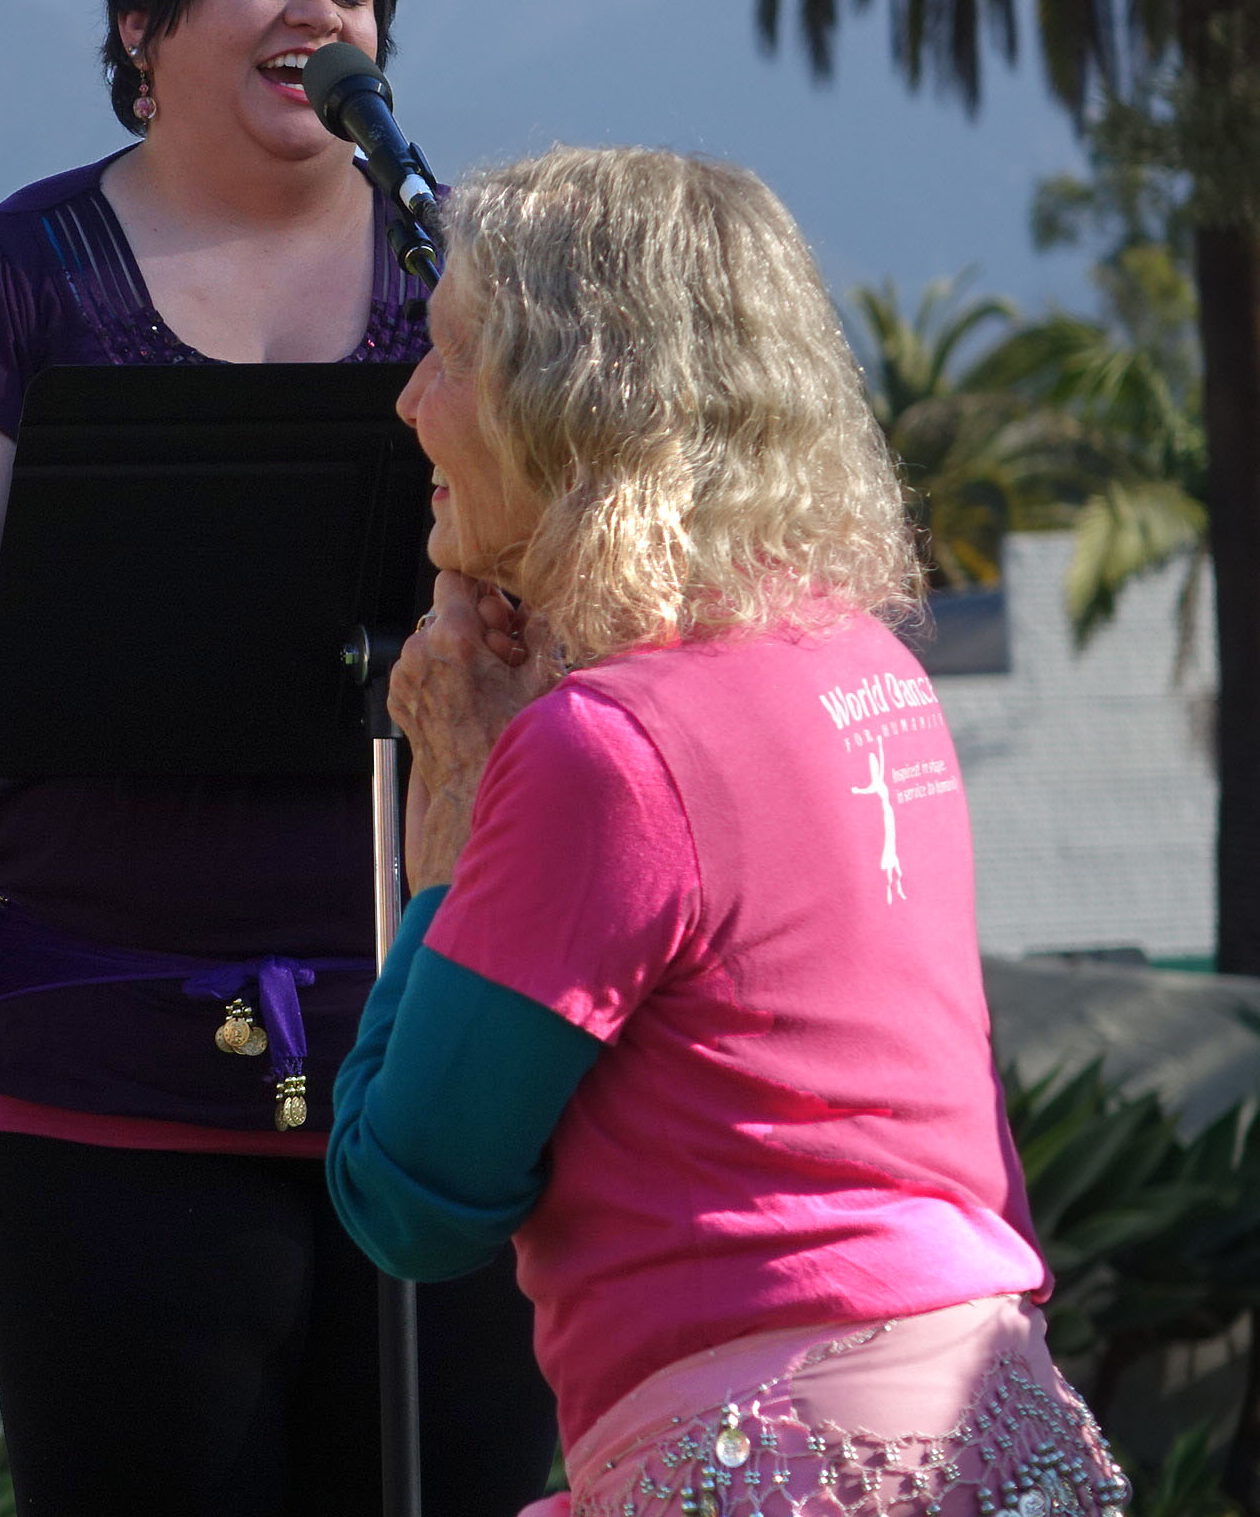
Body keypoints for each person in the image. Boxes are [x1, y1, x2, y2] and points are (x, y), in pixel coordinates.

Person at [0, 0, 555, 1512]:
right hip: (95, 1042)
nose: (318, 11)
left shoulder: (482, 286)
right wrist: (247, 674)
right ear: (144, 23)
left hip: (446, 1033)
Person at [325, 146, 1129, 1517]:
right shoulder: (870, 668)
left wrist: (451, 804)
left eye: (450, 355)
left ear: (574, 399)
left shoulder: (606, 751)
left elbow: (409, 1194)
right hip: (1003, 1429)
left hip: (774, 1462)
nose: (409, 402)